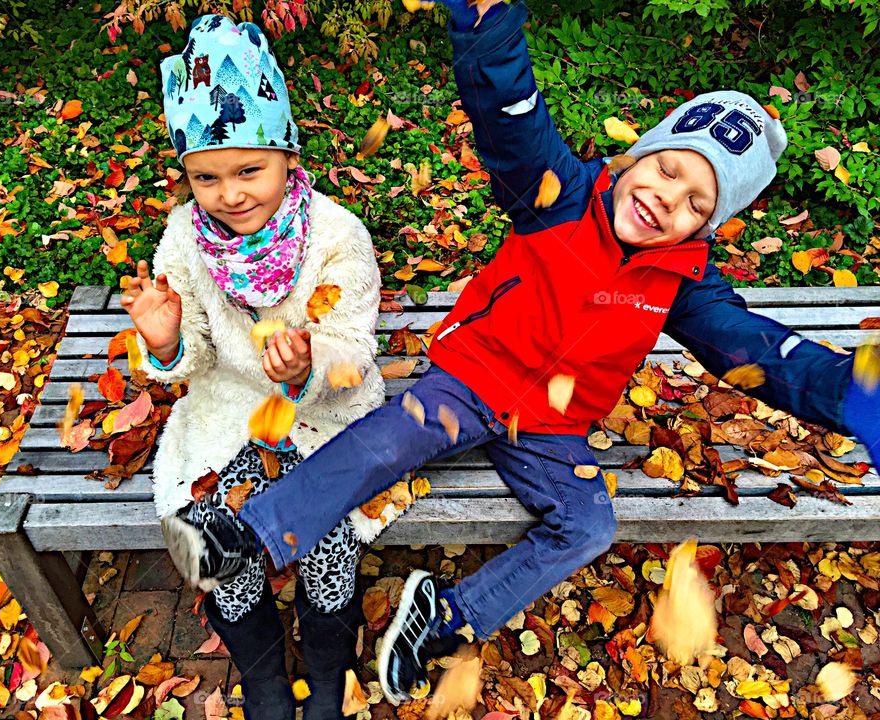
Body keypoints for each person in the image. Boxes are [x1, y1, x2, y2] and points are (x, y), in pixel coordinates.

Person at [159, 0, 880, 708]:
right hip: (474, 378)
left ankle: (443, 618)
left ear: (707, 227)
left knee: (590, 523)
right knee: (391, 438)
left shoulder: (685, 280)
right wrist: (486, 21)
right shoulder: (558, 195)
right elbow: (511, 117)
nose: (668, 200)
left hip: (551, 426)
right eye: (667, 171)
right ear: (642, 155)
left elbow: (762, 353)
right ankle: (245, 533)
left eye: (696, 203)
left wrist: (858, 396)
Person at [119, 15, 390, 719]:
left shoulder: (335, 236)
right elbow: (192, 361)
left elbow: (355, 350)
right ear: (187, 176)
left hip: (321, 417)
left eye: (249, 170)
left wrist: (310, 362)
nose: (230, 193)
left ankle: (327, 671)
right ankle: (265, 673)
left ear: (287, 159)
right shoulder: (184, 237)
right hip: (230, 412)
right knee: (219, 527)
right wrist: (171, 339)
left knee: (326, 531)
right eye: (206, 177)